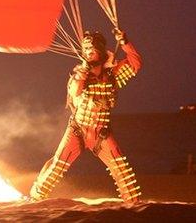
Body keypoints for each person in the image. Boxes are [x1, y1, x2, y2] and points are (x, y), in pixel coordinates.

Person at [30, 28, 142, 204]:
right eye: (86, 49)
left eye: (91, 49)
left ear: (100, 51)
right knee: (57, 166)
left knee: (122, 170)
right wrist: (83, 71)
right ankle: (35, 197)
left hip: (101, 134)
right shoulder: (79, 75)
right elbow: (75, 92)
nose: (88, 52)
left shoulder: (113, 76)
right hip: (78, 130)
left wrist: (124, 42)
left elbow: (135, 63)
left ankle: (133, 205)